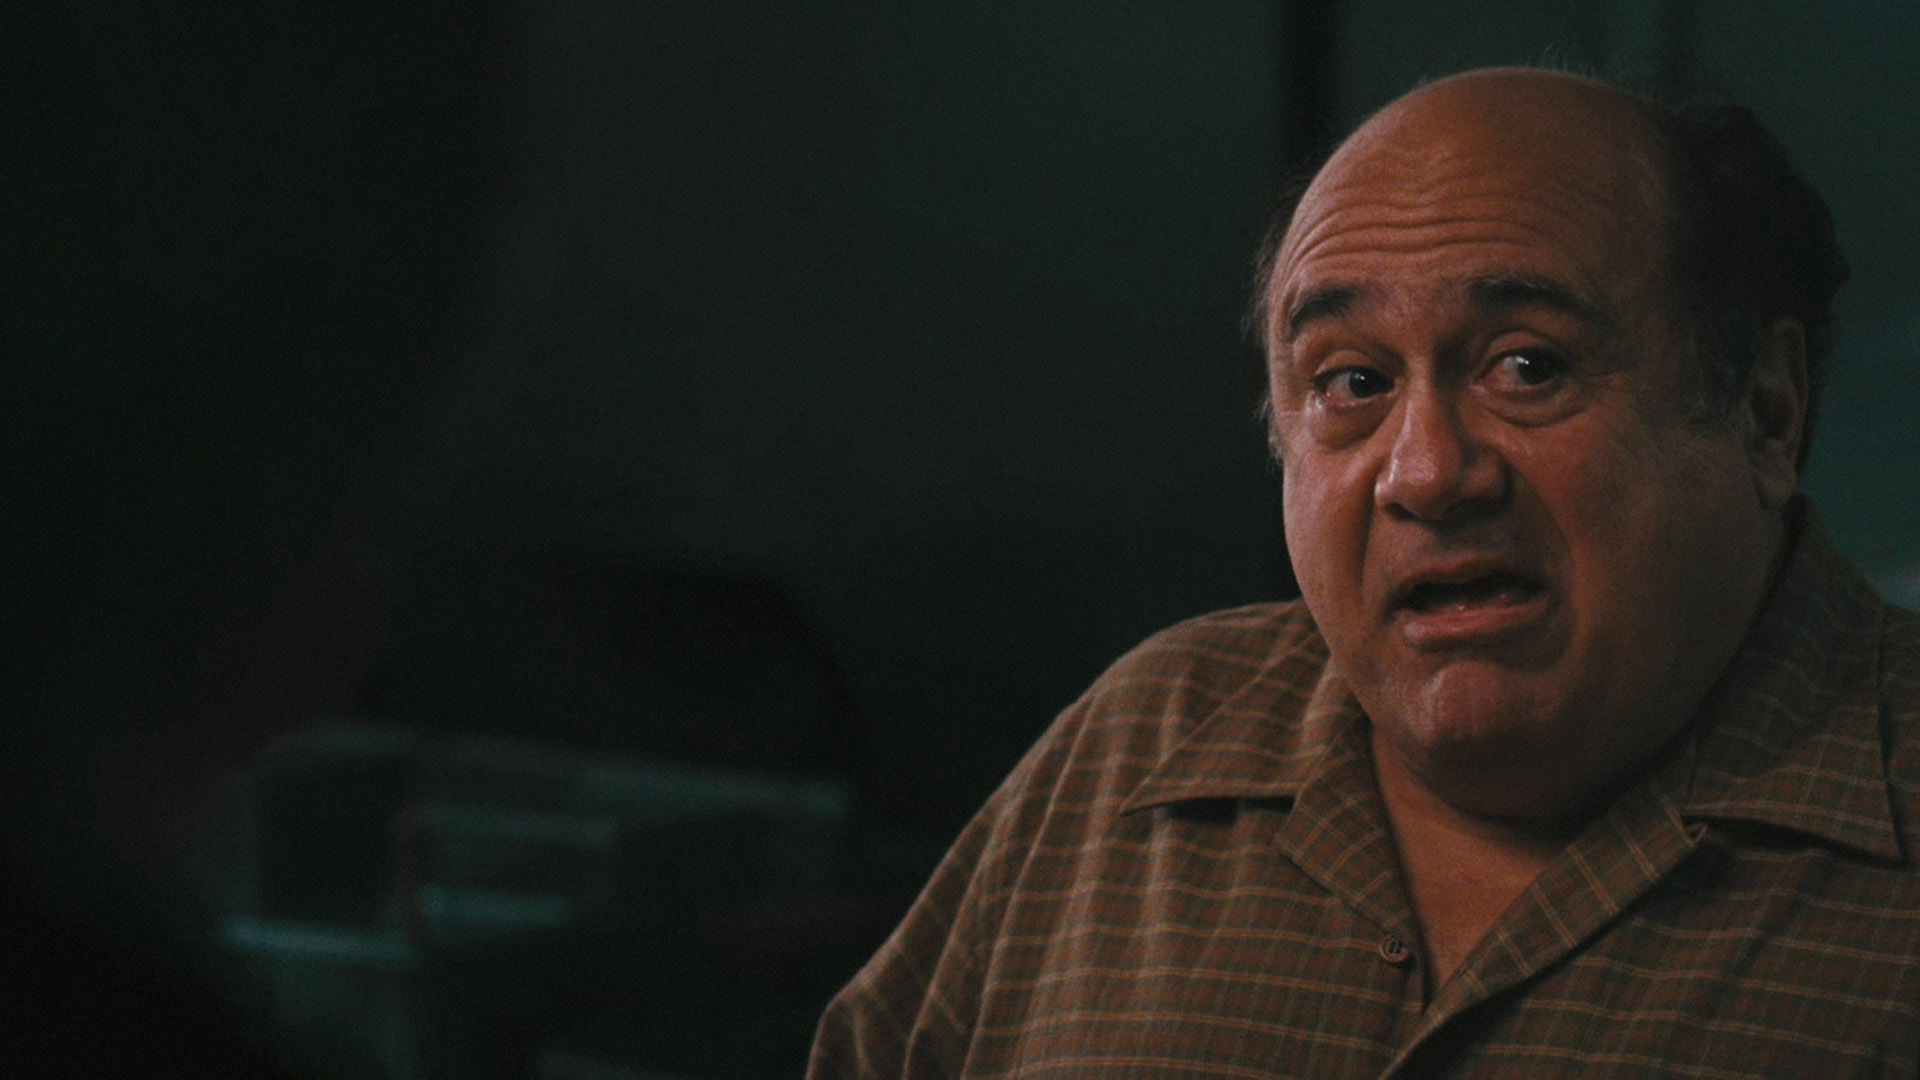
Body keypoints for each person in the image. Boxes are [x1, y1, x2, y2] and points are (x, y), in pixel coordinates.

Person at [809, 67, 1918, 1077]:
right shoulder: (1143, 744)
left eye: (1527, 365)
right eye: (1350, 383)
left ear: (1766, 412)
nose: (1425, 474)